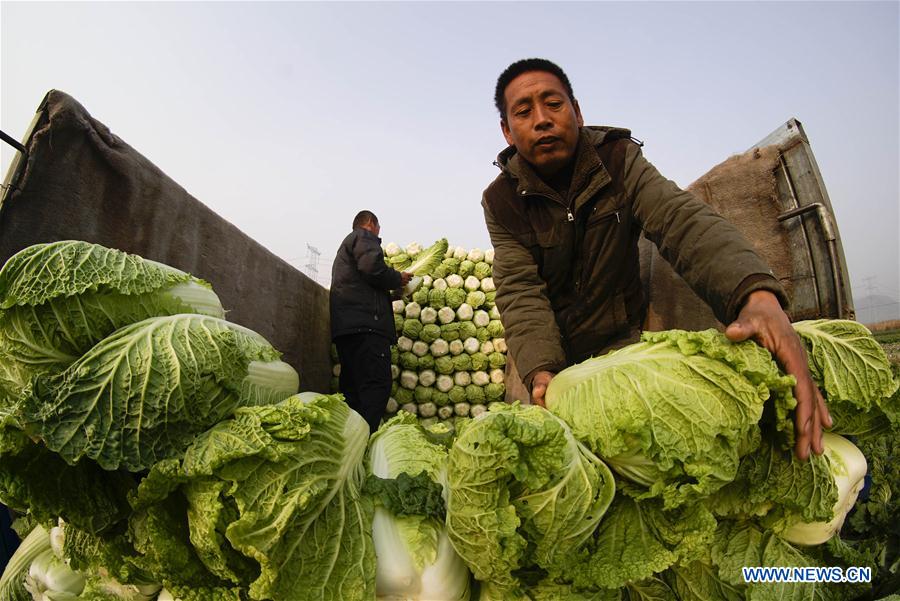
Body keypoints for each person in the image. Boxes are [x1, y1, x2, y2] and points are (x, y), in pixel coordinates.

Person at [481, 58, 831, 460]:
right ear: (507, 131)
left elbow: (680, 220)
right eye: (524, 112)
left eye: (553, 104)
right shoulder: (501, 201)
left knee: (638, 453)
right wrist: (542, 371)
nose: (542, 119)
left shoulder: (618, 160)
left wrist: (755, 294)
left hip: (620, 341)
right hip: (551, 350)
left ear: (576, 112)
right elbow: (520, 291)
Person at [330, 210, 411, 433]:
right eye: (378, 227)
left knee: (352, 389)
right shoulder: (363, 237)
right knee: (375, 386)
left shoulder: (346, 248)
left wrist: (389, 295)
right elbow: (372, 268)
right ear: (371, 224)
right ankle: (364, 439)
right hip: (367, 330)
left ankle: (349, 441)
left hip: (348, 329)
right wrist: (398, 278)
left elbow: (364, 283)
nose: (378, 232)